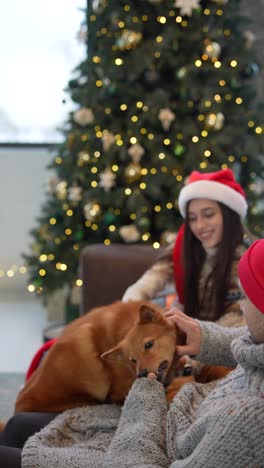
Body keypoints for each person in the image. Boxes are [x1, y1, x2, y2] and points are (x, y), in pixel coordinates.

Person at [1, 238, 263, 467]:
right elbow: (247, 342)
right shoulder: (256, 347)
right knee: (18, 425)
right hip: (169, 419)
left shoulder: (246, 421)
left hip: (148, 441)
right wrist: (204, 337)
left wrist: (145, 394)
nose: (239, 304)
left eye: (246, 297)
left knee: (13, 443)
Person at [123, 168, 253, 328]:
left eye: (208, 214)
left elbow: (242, 326)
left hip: (222, 343)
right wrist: (130, 307)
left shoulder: (248, 258)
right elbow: (149, 282)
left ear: (228, 215)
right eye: (192, 218)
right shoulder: (183, 247)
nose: (200, 226)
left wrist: (196, 337)